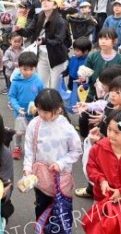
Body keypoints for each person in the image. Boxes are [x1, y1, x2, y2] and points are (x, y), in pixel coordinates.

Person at [23, 89, 82, 220]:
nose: (41, 114)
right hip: (40, 178)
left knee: (61, 208)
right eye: (39, 109)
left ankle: (59, 228)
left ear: (58, 109)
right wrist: (27, 168)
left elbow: (76, 150)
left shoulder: (66, 128)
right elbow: (29, 149)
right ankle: (42, 227)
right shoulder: (34, 124)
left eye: (45, 111)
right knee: (41, 206)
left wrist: (60, 163)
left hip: (60, 179)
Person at [17, 0, 70, 89]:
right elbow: (29, 32)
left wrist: (45, 41)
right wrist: (19, 29)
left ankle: (55, 103)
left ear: (55, 5)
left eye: (48, 0)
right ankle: (43, 103)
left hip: (57, 57)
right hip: (41, 54)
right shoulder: (38, 16)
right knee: (42, 84)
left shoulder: (60, 21)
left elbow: (59, 40)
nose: (44, 2)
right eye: (43, 0)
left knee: (54, 87)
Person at [8, 51, 45, 160]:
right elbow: (12, 97)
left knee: (34, 132)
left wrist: (39, 107)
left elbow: (41, 95)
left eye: (31, 69)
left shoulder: (38, 81)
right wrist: (17, 107)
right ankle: (17, 147)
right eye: (25, 69)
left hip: (34, 113)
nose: (28, 72)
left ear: (35, 68)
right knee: (19, 132)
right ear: (19, 67)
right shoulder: (16, 82)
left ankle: (33, 149)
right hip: (20, 113)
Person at [78, 28, 121, 102]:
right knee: (84, 112)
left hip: (112, 96)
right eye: (101, 38)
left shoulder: (120, 59)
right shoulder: (92, 56)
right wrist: (84, 78)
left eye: (107, 39)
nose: (103, 41)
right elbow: (87, 73)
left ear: (115, 41)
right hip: (93, 93)